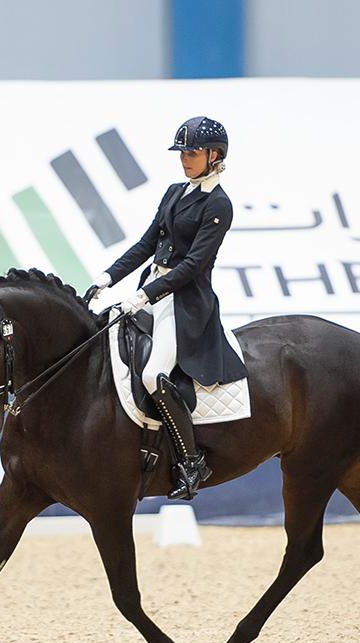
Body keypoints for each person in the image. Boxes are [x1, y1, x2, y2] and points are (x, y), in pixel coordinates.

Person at [85, 116, 248, 501]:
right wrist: (108, 277)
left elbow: (193, 265)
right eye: (182, 153)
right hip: (152, 290)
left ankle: (192, 462)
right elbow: (145, 244)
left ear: (214, 156)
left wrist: (145, 295)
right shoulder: (175, 192)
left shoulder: (219, 205)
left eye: (192, 153)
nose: (184, 159)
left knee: (153, 373)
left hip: (186, 303)